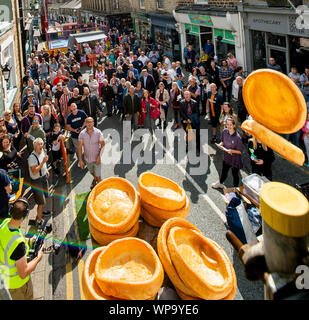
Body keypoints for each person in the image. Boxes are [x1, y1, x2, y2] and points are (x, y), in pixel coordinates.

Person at [0, 198, 44, 300]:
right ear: (25, 216)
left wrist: (28, 240)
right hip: (18, 286)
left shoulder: (5, 224)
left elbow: (9, 239)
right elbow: (23, 272)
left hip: (5, 280)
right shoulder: (18, 245)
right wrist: (38, 258)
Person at [212, 118, 243, 189]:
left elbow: (240, 151)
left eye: (230, 125)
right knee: (224, 171)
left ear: (234, 125)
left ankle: (235, 189)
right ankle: (220, 183)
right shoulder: (224, 131)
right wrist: (220, 144)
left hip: (235, 159)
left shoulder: (237, 137)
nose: (229, 126)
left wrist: (232, 151)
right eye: (227, 124)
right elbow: (223, 141)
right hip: (226, 157)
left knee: (235, 174)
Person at [28, 138, 50, 228]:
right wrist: (43, 162)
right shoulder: (32, 157)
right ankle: (39, 220)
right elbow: (34, 171)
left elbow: (44, 165)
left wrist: (46, 170)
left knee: (45, 196)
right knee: (40, 202)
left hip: (43, 178)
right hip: (37, 181)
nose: (41, 146)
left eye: (42, 144)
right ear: (35, 146)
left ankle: (41, 213)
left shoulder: (43, 151)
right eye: (39, 144)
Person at [78, 117, 105, 189]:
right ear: (85, 123)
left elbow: (103, 145)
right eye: (87, 122)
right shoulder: (82, 134)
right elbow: (80, 147)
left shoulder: (98, 133)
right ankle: (95, 179)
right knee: (92, 172)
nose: (89, 123)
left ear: (93, 123)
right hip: (87, 159)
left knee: (99, 177)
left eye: (91, 122)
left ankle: (102, 190)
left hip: (97, 159)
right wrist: (80, 160)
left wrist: (99, 157)